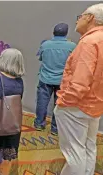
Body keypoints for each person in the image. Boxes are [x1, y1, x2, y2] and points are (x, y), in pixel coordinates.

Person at [54, 3, 103, 175]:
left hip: (76, 106)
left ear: (90, 18)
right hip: (95, 106)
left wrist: (63, 102)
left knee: (74, 153)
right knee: (89, 147)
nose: (78, 21)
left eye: (80, 17)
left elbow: (80, 83)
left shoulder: (89, 42)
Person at [34, 23, 76, 136]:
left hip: (45, 78)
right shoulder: (72, 46)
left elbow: (41, 58)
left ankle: (39, 124)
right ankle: (55, 128)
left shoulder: (45, 45)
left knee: (42, 102)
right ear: (66, 33)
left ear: (53, 32)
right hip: (62, 80)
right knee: (59, 104)